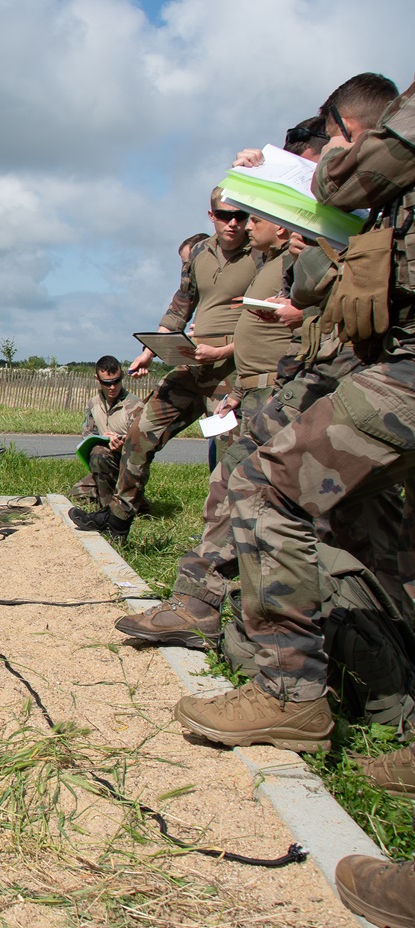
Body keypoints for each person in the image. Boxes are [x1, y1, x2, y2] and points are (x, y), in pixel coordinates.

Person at [171, 76, 415, 761]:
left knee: (266, 486)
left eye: (332, 138)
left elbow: (342, 190)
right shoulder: (390, 206)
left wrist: (292, 175)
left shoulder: (384, 159)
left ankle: (289, 694)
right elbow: (320, 275)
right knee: (386, 545)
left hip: (399, 372)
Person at [69, 188, 261, 541]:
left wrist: (223, 352)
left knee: (229, 454)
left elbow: (268, 322)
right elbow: (180, 306)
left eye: (241, 216)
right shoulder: (201, 252)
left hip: (232, 372)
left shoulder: (263, 252)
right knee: (140, 433)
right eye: (224, 215)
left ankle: (227, 541)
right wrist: (150, 349)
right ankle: (118, 518)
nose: (233, 223)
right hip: (192, 365)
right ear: (211, 216)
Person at [67, 356, 142, 512]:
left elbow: (142, 448)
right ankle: (120, 498)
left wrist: (121, 446)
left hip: (127, 467)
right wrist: (100, 440)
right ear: (97, 379)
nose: (113, 387)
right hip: (103, 466)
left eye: (117, 381)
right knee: (75, 494)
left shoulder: (135, 406)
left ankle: (109, 512)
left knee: (99, 453)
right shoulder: (93, 404)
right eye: (107, 383)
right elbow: (88, 435)